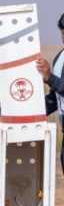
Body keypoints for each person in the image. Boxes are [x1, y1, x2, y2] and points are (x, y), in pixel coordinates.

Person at [37, 13, 64, 173]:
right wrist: (32, 110)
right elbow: (56, 97)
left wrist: (49, 78)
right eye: (62, 32)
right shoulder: (60, 57)